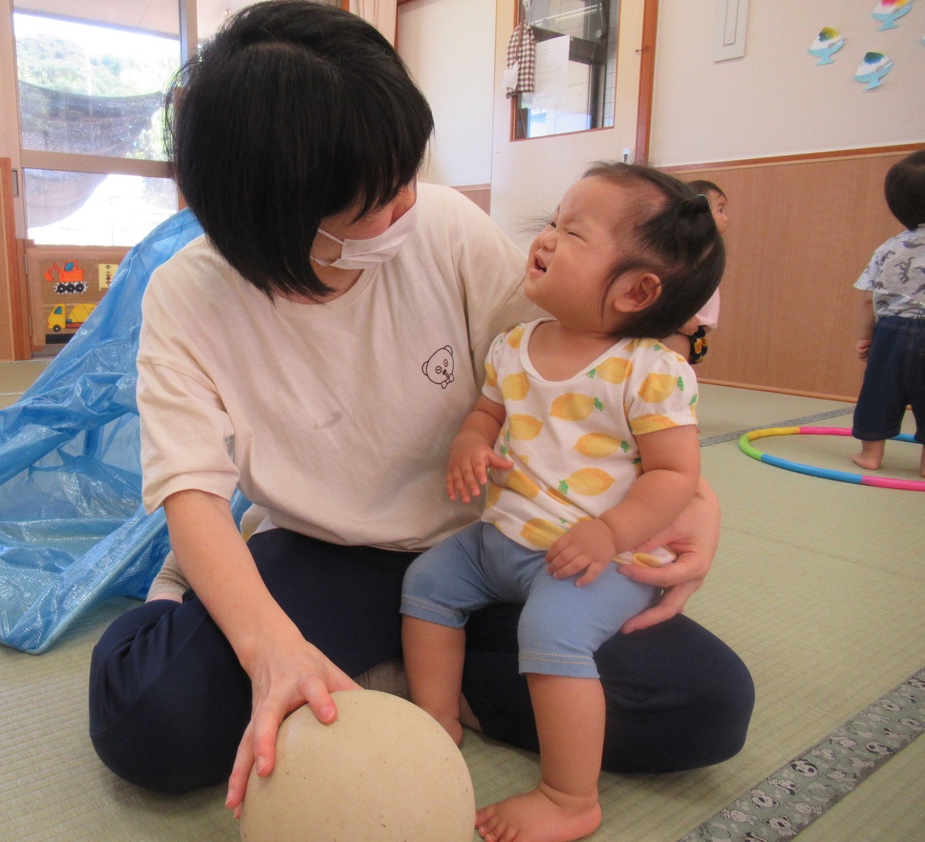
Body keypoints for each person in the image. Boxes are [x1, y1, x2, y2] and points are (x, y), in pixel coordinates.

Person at [86, 0, 755, 821]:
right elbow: (189, 486)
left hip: (493, 545)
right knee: (151, 720)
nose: (409, 202)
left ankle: (404, 673)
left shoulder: (442, 226)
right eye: (378, 200)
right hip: (328, 552)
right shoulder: (189, 295)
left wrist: (697, 500)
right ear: (274, 221)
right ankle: (248, 626)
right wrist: (270, 647)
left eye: (409, 172)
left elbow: (582, 370)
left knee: (708, 703)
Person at [401, 163, 724, 842]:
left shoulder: (649, 370)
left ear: (637, 291)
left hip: (592, 559)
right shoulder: (514, 344)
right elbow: (487, 416)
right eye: (552, 222)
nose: (545, 239)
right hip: (502, 539)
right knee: (427, 582)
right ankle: (435, 717)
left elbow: (673, 474)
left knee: (550, 635)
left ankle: (569, 797)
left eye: (572, 232)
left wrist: (611, 533)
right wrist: (470, 442)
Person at [850, 149, 925, 476]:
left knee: (879, 392)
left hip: (891, 332)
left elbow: (870, 299)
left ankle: (870, 455)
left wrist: (867, 337)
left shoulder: (888, 248)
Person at [667, 179, 728, 364]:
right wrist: (683, 316)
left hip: (693, 327)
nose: (726, 217)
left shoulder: (710, 250)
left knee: (682, 370)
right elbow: (674, 285)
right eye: (719, 210)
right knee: (672, 368)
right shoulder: (688, 251)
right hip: (677, 326)